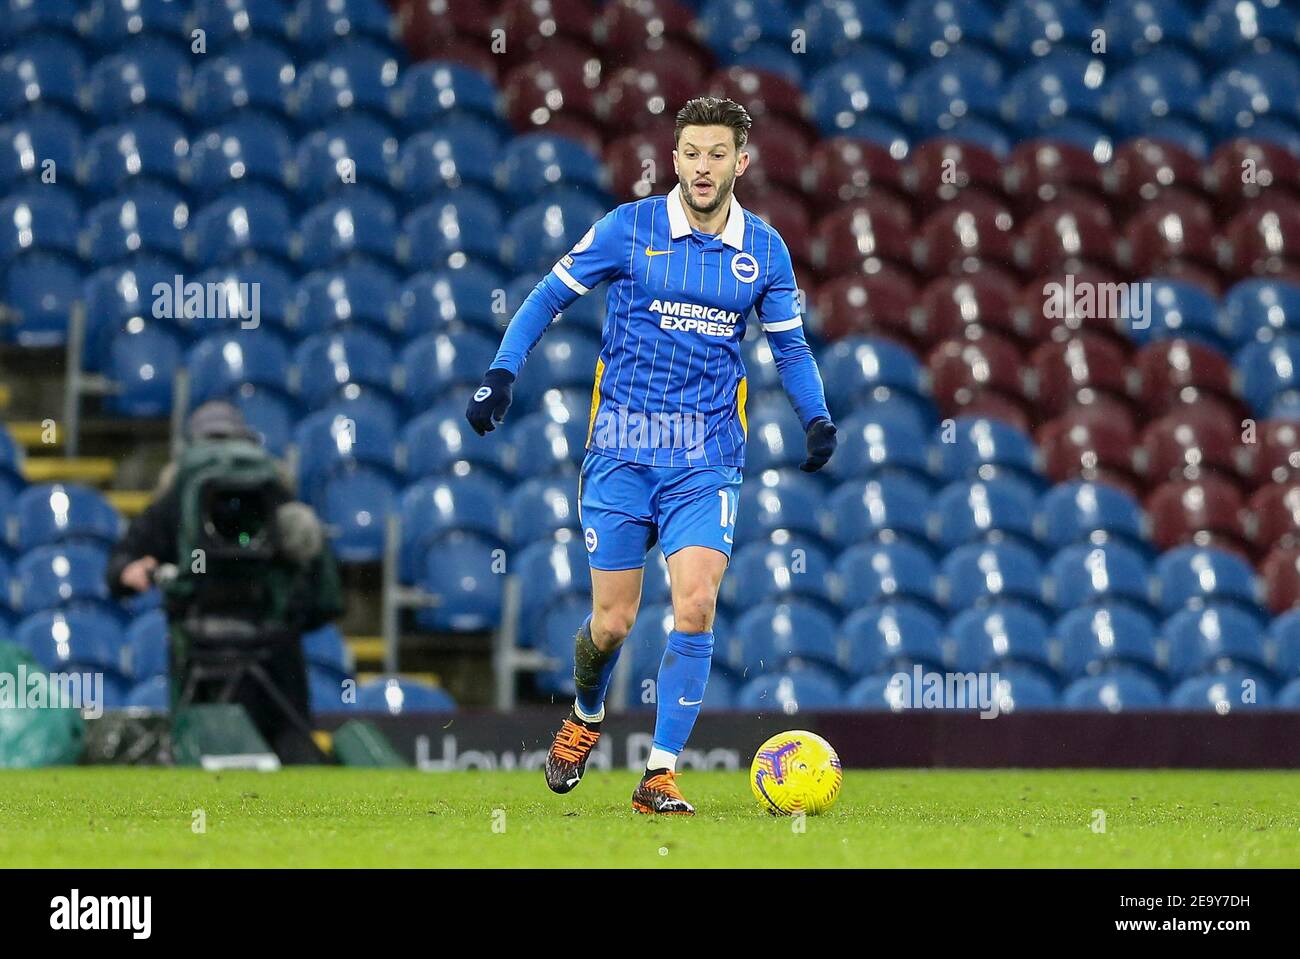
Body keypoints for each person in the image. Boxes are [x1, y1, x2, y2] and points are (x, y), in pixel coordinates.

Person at [466, 97, 837, 814]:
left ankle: (659, 774)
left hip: (706, 457)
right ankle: (586, 711)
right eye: (692, 153)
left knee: (694, 606)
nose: (703, 166)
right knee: (612, 622)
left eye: (717, 154)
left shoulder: (762, 249)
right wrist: (502, 372)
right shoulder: (628, 228)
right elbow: (546, 297)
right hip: (622, 452)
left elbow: (790, 345)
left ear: (741, 162)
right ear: (675, 159)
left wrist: (815, 418)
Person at [106, 400, 342, 764]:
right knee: (293, 753)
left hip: (199, 639)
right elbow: (321, 588)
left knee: (197, 754)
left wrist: (135, 571)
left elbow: (122, 568)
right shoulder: (274, 488)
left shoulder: (179, 491)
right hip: (274, 645)